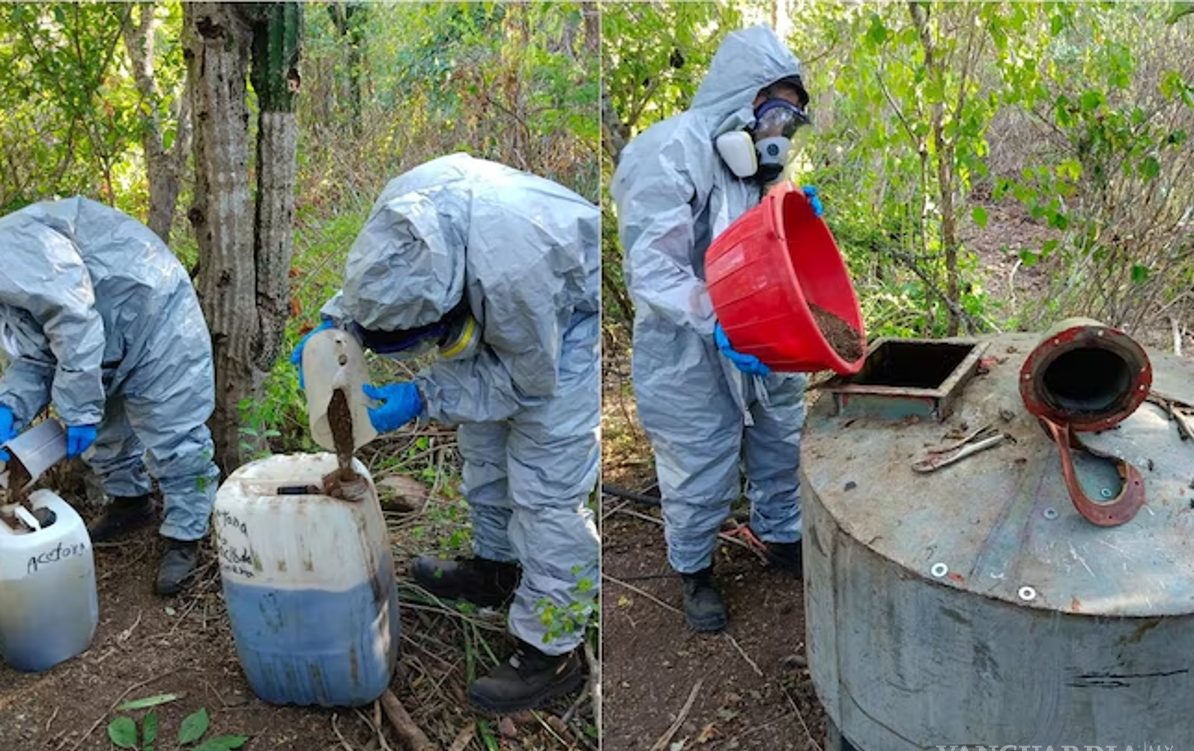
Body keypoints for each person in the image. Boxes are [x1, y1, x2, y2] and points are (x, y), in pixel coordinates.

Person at [293, 153, 600, 713]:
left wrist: (425, 397)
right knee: (483, 451)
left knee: (547, 492)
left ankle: (553, 649)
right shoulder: (405, 207)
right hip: (490, 296)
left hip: (563, 330)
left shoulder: (515, 275)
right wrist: (336, 323)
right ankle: (496, 569)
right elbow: (382, 271)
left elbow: (528, 381)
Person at [610, 25, 823, 633]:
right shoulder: (669, 149)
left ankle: (781, 536)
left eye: (792, 120)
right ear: (743, 94)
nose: (779, 131)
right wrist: (717, 319)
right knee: (700, 465)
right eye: (776, 110)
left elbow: (768, 255)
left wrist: (795, 226)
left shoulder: (756, 166)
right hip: (688, 352)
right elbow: (653, 270)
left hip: (764, 338)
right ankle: (695, 569)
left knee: (781, 441)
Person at [0, 197, 221, 595]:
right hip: (103, 339)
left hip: (155, 316)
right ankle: (130, 504)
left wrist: (79, 409)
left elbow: (74, 322)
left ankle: (186, 537)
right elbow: (37, 354)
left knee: (174, 432)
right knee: (107, 434)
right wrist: (9, 409)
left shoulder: (10, 250)